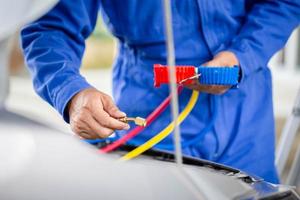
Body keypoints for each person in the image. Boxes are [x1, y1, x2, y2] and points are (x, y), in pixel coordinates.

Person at [21, 0, 299, 183]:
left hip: (246, 120)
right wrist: (71, 93)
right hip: (153, 123)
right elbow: (49, 26)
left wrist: (244, 56)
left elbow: (284, 3)